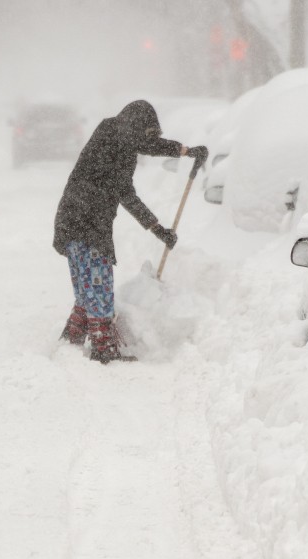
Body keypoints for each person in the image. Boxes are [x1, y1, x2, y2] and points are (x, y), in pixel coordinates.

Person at [52, 99, 208, 363]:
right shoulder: (112, 132)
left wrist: (157, 229)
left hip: (76, 221)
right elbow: (143, 150)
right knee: (99, 285)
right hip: (86, 222)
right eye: (145, 132)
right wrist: (183, 151)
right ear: (135, 125)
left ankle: (73, 337)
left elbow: (127, 192)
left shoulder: (118, 145)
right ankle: (103, 348)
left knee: (87, 285)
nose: (146, 140)